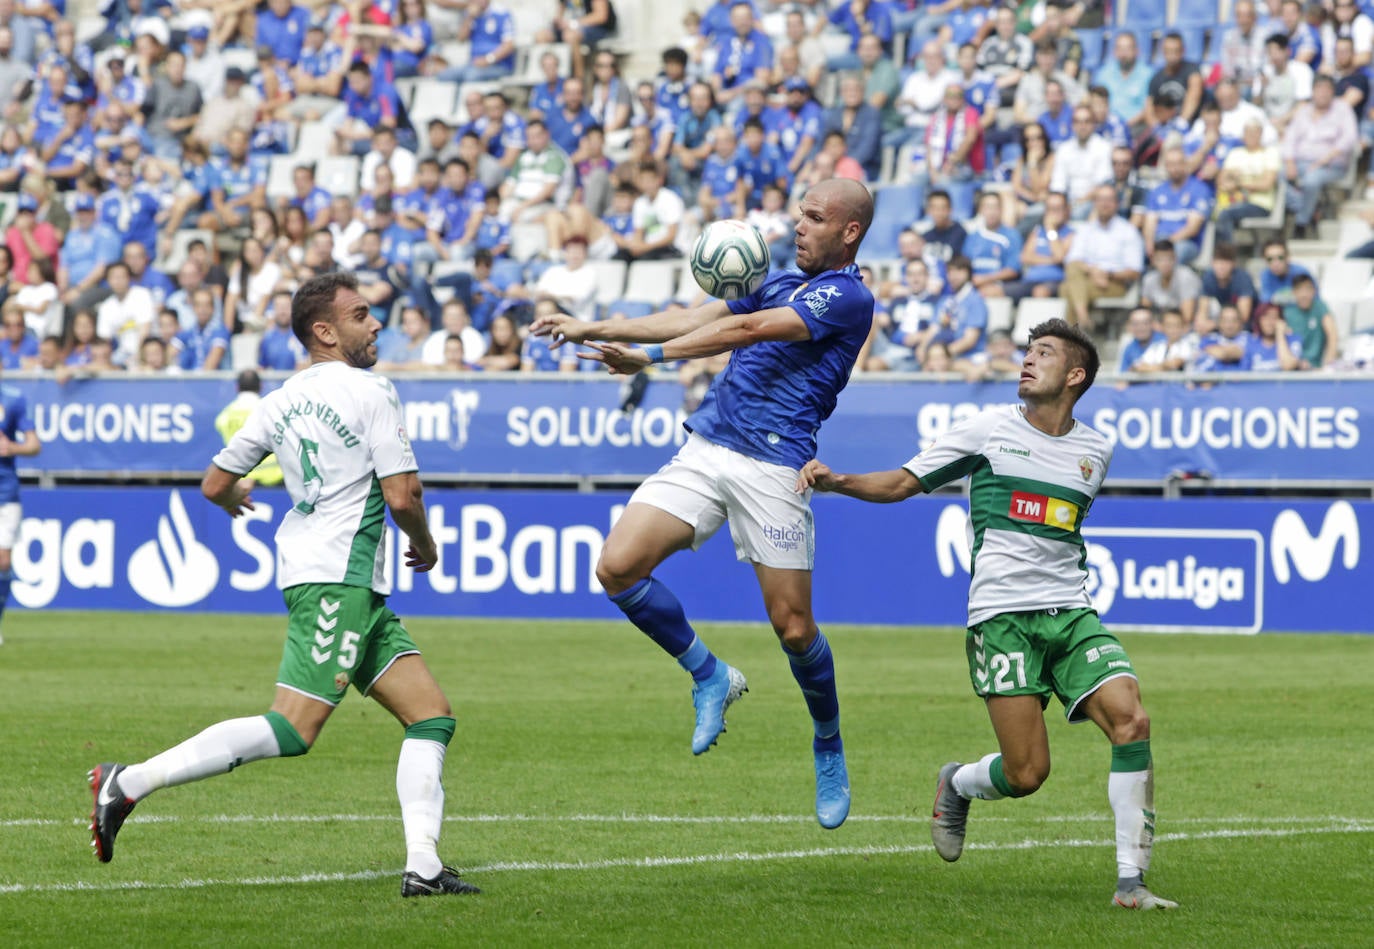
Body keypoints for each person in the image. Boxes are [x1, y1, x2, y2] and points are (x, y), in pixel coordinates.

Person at [88, 273, 480, 898]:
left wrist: (238, 497)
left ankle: (425, 867)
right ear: (324, 332)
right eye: (360, 315)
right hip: (338, 577)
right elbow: (402, 494)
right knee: (293, 728)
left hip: (344, 583)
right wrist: (426, 544)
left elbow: (215, 483)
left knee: (430, 716)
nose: (374, 323)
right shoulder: (371, 390)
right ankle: (128, 781)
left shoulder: (278, 400)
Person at [528, 178, 876, 829]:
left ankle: (827, 743)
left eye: (814, 217)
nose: (797, 225)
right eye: (799, 213)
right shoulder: (776, 278)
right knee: (617, 566)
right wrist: (592, 324)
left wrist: (648, 359)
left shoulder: (847, 297)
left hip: (773, 465)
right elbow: (699, 317)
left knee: (795, 629)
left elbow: (744, 328)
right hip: (708, 446)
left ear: (849, 231)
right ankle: (710, 673)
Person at [797, 318, 1178, 912]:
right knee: (1027, 774)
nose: (1027, 360)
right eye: (1027, 351)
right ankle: (959, 782)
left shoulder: (1097, 450)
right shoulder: (987, 430)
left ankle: (1132, 882)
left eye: (1044, 353)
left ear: (1075, 376)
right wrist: (835, 479)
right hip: (1001, 618)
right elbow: (902, 483)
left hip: (1072, 613)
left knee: (1132, 721)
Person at [0, 350, 39, 645]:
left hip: (5, 490)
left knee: (2, 560)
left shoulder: (13, 398)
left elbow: (34, 445)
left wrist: (13, 448)